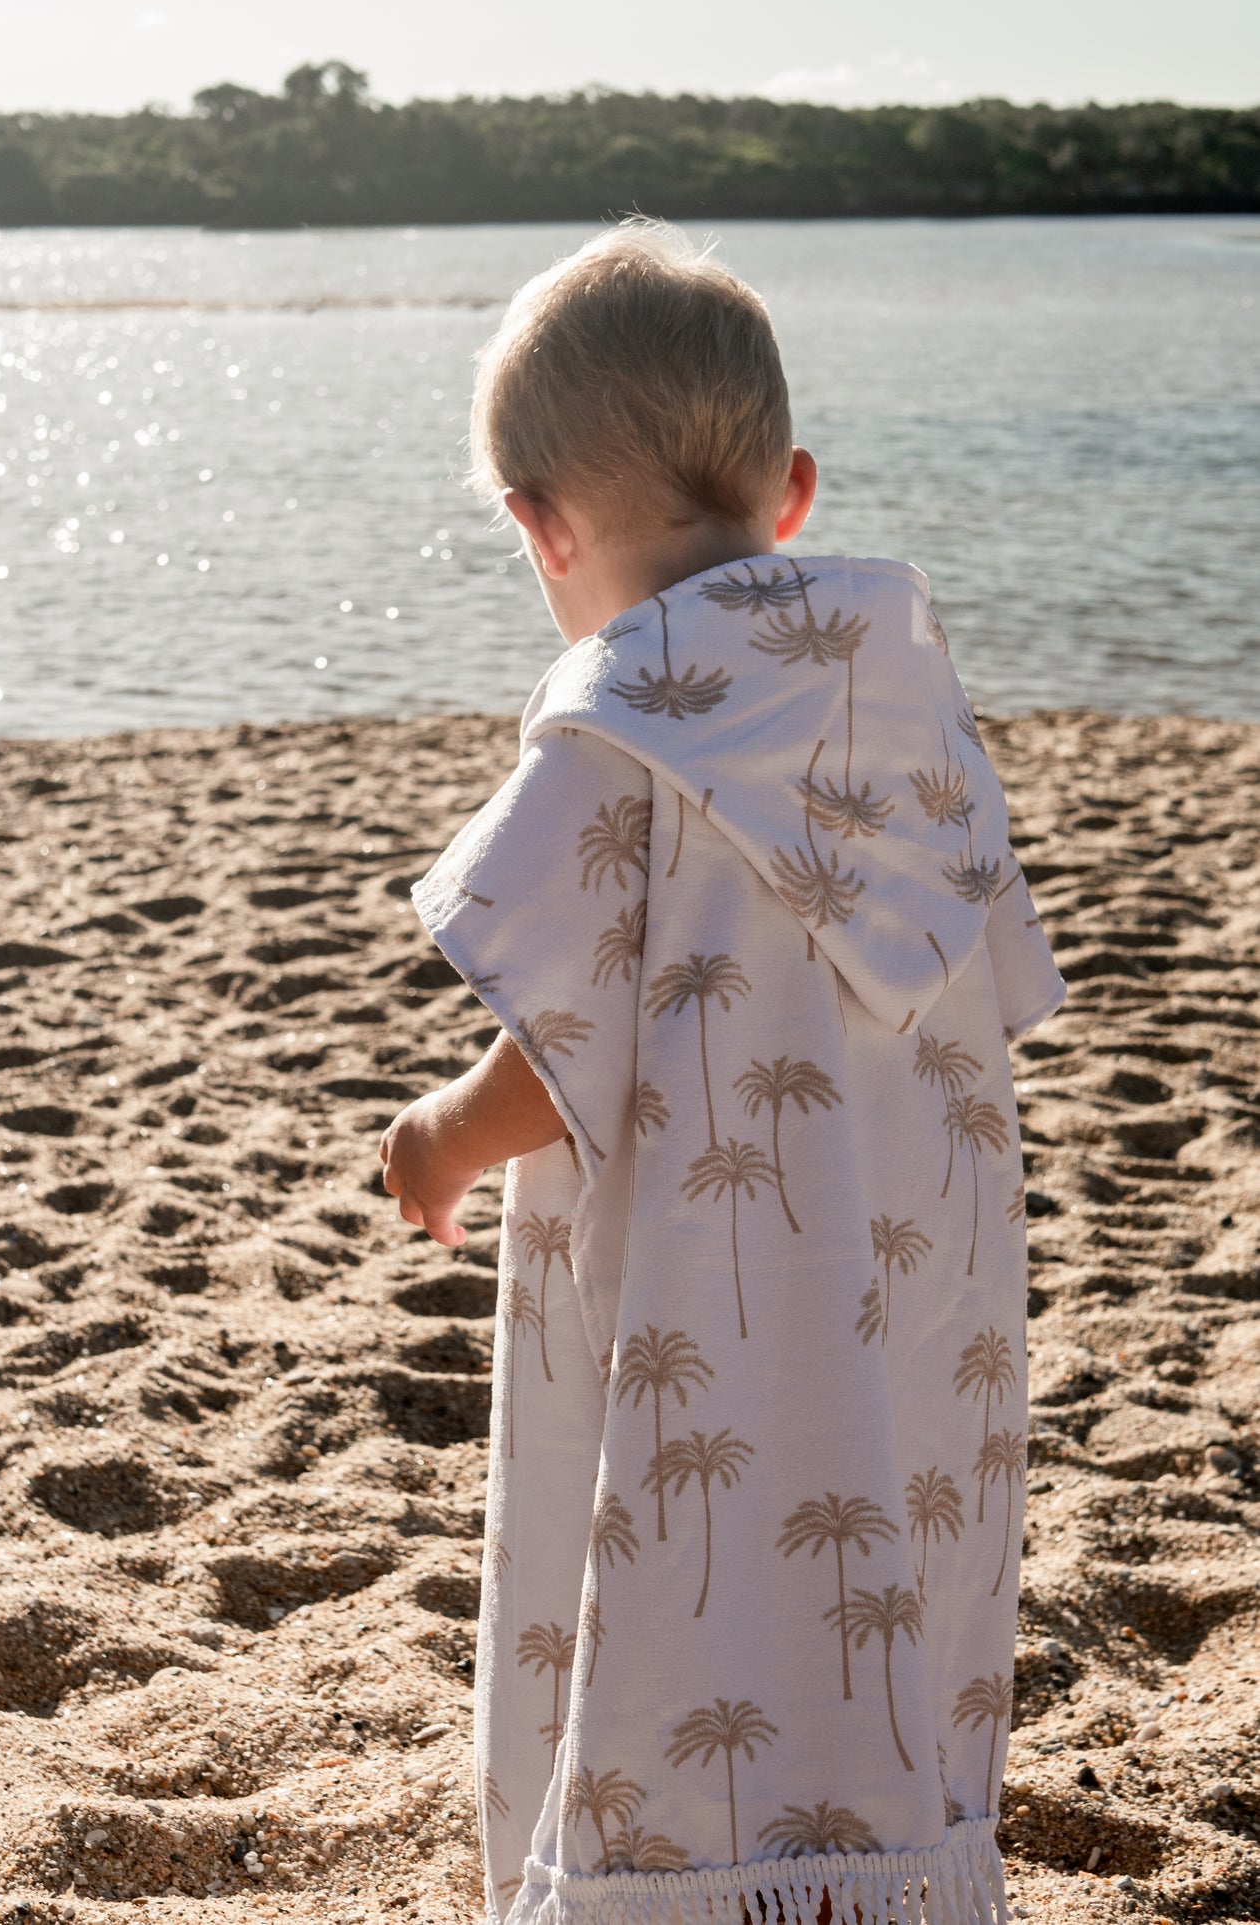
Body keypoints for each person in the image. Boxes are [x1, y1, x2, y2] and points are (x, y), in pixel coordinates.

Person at [380, 220, 1064, 1925]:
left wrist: (445, 1137)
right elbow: (990, 972)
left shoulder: (616, 723)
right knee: (890, 1546)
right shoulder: (908, 701)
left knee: (678, 1584)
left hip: (716, 1260)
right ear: (793, 492)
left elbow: (560, 1035)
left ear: (537, 525)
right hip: (917, 1256)